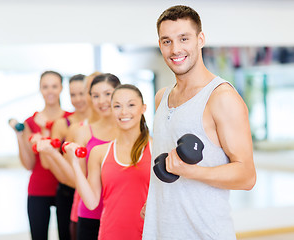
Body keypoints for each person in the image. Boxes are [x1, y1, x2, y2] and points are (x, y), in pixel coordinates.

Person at [141, 5, 256, 240]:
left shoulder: (221, 97)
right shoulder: (162, 97)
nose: (175, 49)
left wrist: (191, 172)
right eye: (167, 41)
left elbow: (247, 176)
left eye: (184, 38)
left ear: (200, 39)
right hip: (160, 230)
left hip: (204, 233)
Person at [40, 73, 121, 240]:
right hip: (90, 212)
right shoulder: (80, 131)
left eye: (107, 94)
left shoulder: (132, 128)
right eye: (96, 95)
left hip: (122, 211)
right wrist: (53, 154)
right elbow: (73, 179)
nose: (102, 100)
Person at [65, 84, 152, 240]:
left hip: (148, 234)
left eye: (131, 105)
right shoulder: (99, 152)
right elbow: (91, 203)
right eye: (117, 106)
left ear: (143, 108)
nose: (124, 112)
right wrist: (75, 163)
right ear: (111, 110)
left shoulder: (157, 148)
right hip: (110, 234)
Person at [9, 70, 72, 240]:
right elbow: (29, 164)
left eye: (54, 86)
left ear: (61, 88)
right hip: (38, 188)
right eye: (45, 86)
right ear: (40, 89)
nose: (50, 90)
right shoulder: (30, 122)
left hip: (66, 188)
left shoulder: (70, 119)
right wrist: (19, 137)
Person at [37, 73, 89, 240]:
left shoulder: (101, 122)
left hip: (93, 189)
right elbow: (47, 162)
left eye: (82, 93)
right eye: (73, 95)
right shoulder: (62, 124)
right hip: (68, 192)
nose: (78, 99)